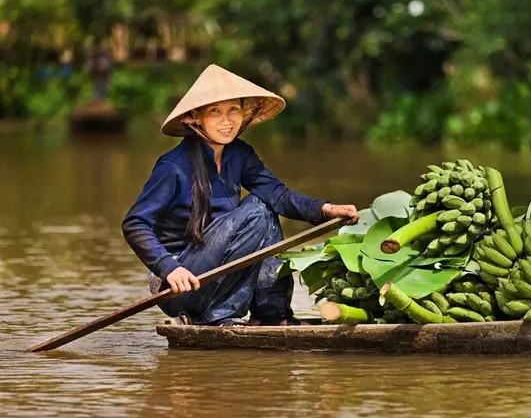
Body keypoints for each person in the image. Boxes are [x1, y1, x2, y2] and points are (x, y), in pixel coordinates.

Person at [121, 64, 359, 326]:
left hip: (217, 272)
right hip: (180, 285)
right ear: (197, 117)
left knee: (265, 207)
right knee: (258, 208)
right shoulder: (173, 167)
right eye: (215, 112)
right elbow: (135, 224)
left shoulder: (240, 154)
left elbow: (277, 194)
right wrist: (169, 267)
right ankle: (217, 317)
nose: (227, 120)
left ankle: (274, 314)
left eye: (233, 109)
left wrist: (324, 210)